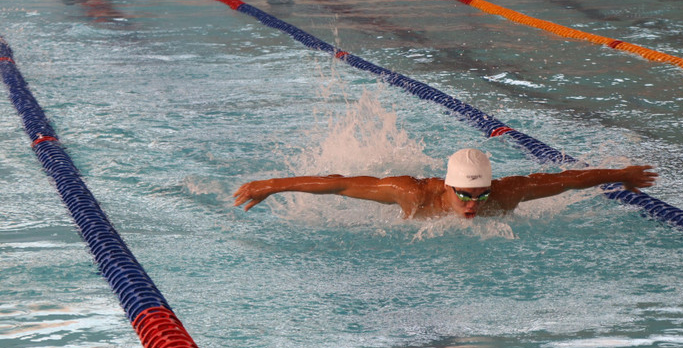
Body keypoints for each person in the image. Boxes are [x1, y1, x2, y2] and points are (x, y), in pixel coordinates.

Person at [233, 148, 658, 220]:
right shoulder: (412, 193)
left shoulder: (506, 193)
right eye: (466, 195)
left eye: (481, 194)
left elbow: (567, 181)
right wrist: (271, 183)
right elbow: (338, 189)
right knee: (345, 179)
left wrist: (622, 174)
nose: (475, 204)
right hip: (398, 189)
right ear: (447, 189)